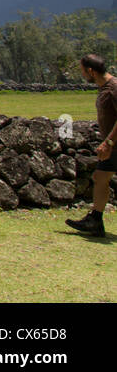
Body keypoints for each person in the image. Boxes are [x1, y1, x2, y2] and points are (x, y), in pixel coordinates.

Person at [65, 54, 117, 236]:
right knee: (100, 177)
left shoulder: (114, 87)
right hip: (112, 145)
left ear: (90, 71)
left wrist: (109, 142)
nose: (82, 74)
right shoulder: (104, 88)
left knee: (101, 177)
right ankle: (95, 220)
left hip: (114, 144)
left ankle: (95, 219)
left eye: (82, 71)